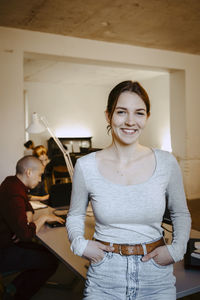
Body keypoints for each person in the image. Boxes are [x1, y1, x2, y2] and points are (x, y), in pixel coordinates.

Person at [66, 80, 191, 300]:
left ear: (147, 117)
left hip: (155, 274)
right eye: (121, 112)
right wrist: (79, 244)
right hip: (105, 275)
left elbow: (181, 213)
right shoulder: (86, 166)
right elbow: (75, 214)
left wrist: (176, 250)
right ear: (108, 116)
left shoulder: (166, 162)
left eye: (139, 113)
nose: (130, 121)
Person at [0, 156, 64, 300]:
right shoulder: (15, 193)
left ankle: (14, 286)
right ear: (29, 172)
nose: (40, 179)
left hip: (9, 239)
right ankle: (17, 295)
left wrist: (27, 218)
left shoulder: (11, 182)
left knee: (48, 252)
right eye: (40, 175)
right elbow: (26, 234)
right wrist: (43, 218)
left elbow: (26, 204)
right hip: (3, 249)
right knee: (51, 262)